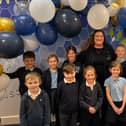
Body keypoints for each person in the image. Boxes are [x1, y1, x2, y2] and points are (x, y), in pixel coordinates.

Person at [42, 54, 63, 126]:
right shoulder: (44, 73)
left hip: (59, 93)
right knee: (48, 112)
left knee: (58, 111)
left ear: (57, 62)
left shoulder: (61, 72)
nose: (53, 63)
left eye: (54, 61)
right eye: (51, 61)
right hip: (49, 93)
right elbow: (42, 86)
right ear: (48, 63)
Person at [104, 61, 126, 126]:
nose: (116, 71)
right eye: (114, 69)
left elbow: (125, 94)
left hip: (122, 104)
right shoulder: (107, 81)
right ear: (110, 70)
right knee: (111, 123)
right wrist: (114, 107)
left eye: (117, 70)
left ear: (120, 70)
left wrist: (122, 107)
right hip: (112, 104)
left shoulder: (124, 80)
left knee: (122, 123)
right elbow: (108, 95)